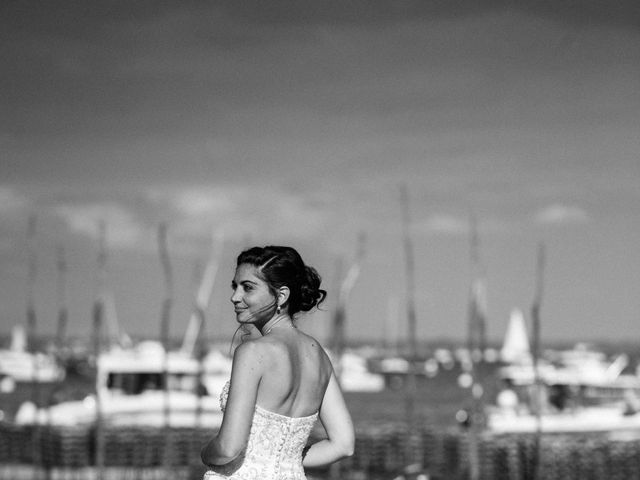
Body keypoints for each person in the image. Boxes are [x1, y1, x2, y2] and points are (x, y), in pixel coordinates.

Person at [201, 245, 355, 479]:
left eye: (248, 288)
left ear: (281, 296)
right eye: (235, 286)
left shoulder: (252, 352)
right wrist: (285, 460)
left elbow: (228, 448)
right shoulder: (319, 356)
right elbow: (343, 445)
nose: (235, 297)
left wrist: (205, 454)